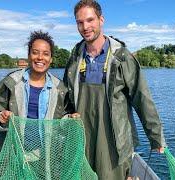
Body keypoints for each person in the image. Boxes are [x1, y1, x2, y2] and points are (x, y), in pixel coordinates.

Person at [63, 0, 167, 179]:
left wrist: (155, 136)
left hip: (113, 142)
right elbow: (65, 97)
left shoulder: (122, 57)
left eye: (90, 20)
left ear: (101, 20)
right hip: (81, 139)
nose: (85, 27)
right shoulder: (74, 57)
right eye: (80, 22)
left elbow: (141, 98)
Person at [0, 30, 69, 159]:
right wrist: (0, 119)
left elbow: (62, 122)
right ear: (29, 55)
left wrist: (70, 119)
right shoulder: (11, 82)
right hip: (12, 156)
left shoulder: (60, 88)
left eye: (46, 54)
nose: (40, 58)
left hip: (45, 159)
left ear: (51, 59)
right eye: (35, 52)